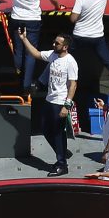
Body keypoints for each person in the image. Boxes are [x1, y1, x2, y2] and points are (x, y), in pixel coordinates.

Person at [17, 29, 78, 176]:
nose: (54, 44)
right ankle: (62, 152)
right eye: (54, 42)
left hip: (60, 101)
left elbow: (73, 84)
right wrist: (24, 39)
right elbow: (36, 54)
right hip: (49, 100)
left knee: (58, 132)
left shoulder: (70, 62)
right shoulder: (52, 55)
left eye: (57, 43)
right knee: (45, 128)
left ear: (65, 47)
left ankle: (62, 164)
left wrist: (67, 105)